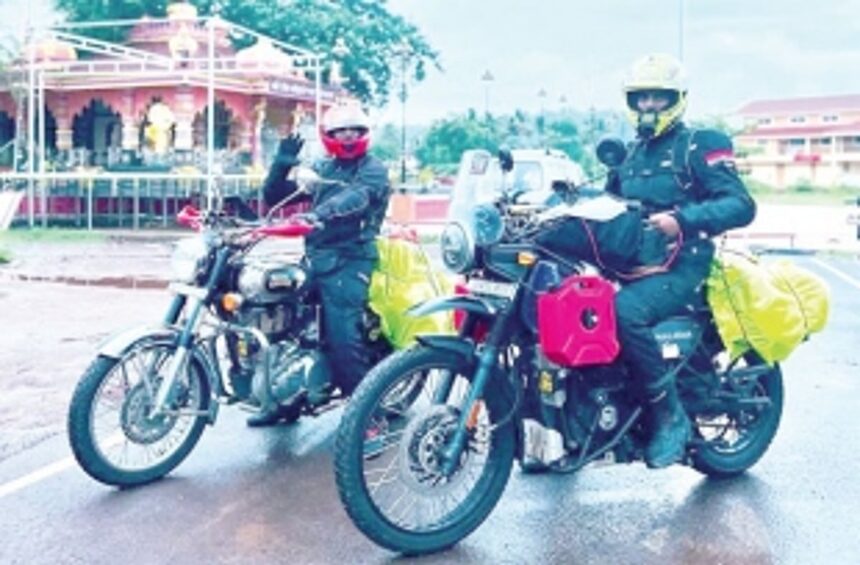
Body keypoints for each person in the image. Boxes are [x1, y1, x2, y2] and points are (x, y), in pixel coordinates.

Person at [604, 53, 756, 467]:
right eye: (641, 98)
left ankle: (669, 416)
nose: (649, 106)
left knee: (624, 311)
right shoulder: (632, 154)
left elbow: (740, 205)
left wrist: (681, 220)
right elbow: (607, 204)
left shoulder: (698, 144)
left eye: (658, 97)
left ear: (677, 98)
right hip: (634, 263)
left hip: (683, 267)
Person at [247, 103, 391, 427]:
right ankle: (280, 398)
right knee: (279, 319)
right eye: (341, 131)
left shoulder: (373, 169)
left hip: (351, 259)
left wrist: (317, 214)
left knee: (343, 336)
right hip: (315, 258)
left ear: (365, 133)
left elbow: (357, 198)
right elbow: (276, 197)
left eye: (354, 129)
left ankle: (369, 420)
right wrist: (281, 165)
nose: (348, 136)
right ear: (329, 135)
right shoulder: (322, 168)